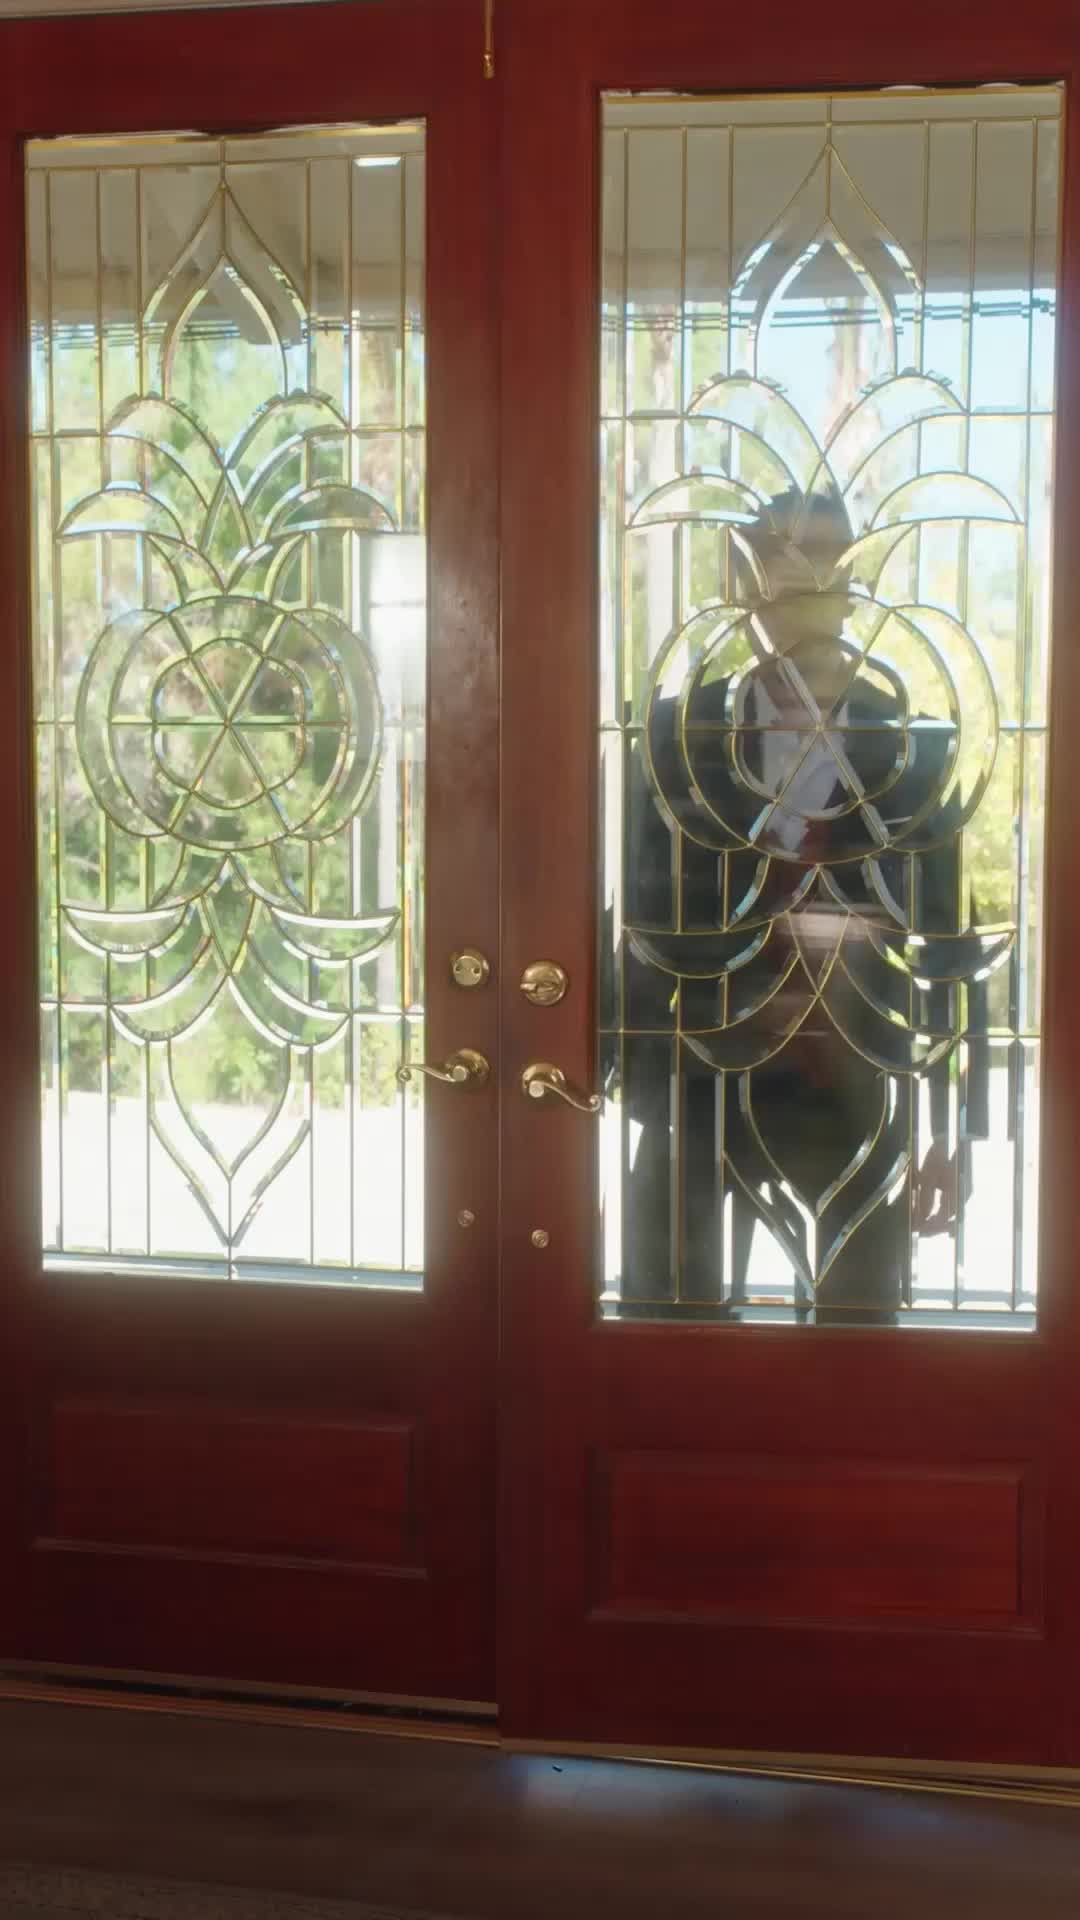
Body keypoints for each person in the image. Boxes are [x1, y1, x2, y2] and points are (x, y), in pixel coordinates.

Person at [622, 487, 989, 1321]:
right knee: (663, 1337)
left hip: (855, 1083)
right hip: (696, 1083)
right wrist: (622, 1093)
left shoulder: (916, 744)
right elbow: (639, 918)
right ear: (745, 583)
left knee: (854, 1341)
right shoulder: (675, 734)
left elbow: (950, 943)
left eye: (828, 558)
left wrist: (955, 1130)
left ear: (854, 585)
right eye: (785, 558)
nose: (810, 578)